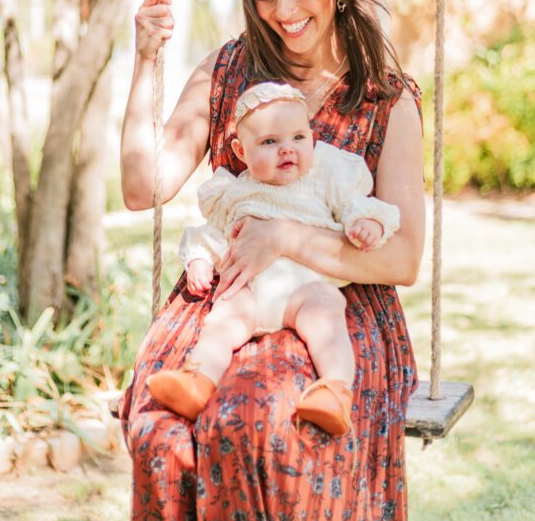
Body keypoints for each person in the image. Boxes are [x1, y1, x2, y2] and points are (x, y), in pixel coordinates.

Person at [119, 0, 426, 521]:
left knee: (263, 428)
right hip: (226, 304)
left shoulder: (384, 97)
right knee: (161, 440)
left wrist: (288, 235)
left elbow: (402, 258)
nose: (284, 11)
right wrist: (144, 62)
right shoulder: (228, 72)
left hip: (335, 315)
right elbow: (144, 187)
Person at [147, 81, 400, 434]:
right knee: (221, 321)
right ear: (241, 149)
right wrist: (199, 260)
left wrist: (367, 223)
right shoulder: (236, 192)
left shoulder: (324, 181)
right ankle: (199, 380)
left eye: (298, 137)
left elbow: (361, 207)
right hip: (250, 291)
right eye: (269, 142)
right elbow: (212, 233)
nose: (287, 150)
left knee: (327, 316)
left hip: (307, 287)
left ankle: (334, 390)